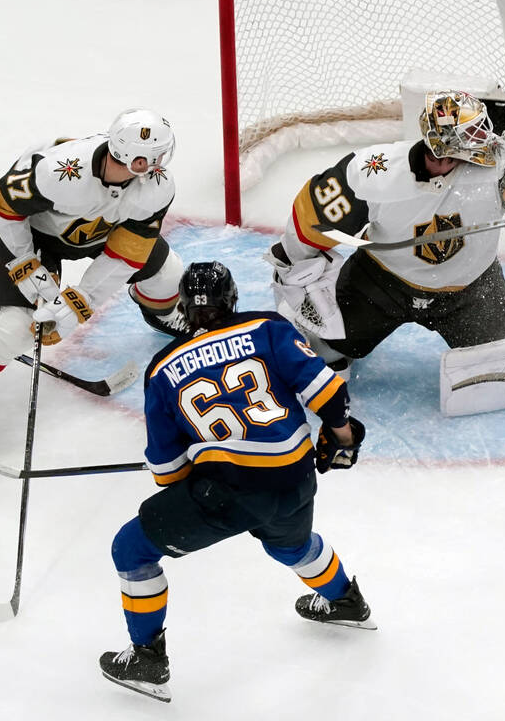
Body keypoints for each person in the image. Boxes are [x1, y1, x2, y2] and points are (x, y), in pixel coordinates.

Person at [99, 261, 373, 703]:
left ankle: (147, 659)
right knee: (289, 544)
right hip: (297, 479)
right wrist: (341, 436)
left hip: (228, 494)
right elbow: (326, 391)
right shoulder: (267, 327)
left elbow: (169, 473)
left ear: (183, 308)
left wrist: (204, 469)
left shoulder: (163, 368)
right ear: (233, 300)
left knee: (131, 549)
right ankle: (346, 601)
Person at [0, 108, 187, 455]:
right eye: (153, 159)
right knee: (17, 328)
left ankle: (159, 313)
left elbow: (127, 252)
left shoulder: (156, 187)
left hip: (102, 232)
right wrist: (25, 260)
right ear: (131, 159)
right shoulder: (62, 172)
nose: (161, 166)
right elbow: (3, 204)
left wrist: (81, 300)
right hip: (35, 236)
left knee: (168, 274)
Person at [267, 89, 505, 374]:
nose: (485, 140)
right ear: (446, 148)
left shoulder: (495, 159)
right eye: (473, 135)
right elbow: (313, 213)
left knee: (500, 364)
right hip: (381, 283)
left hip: (472, 288)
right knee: (329, 347)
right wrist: (292, 261)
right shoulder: (376, 171)